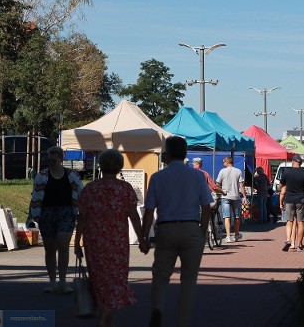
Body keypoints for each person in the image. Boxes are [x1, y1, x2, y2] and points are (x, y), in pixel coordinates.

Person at [141, 136, 213, 327]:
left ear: (167, 154)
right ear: (185, 154)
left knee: (161, 274)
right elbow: (206, 207)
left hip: (165, 228)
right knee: (188, 280)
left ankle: (157, 308)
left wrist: (143, 237)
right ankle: (183, 321)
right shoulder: (197, 176)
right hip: (191, 228)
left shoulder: (157, 177)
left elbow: (149, 210)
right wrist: (202, 232)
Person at [74, 149, 147, 327]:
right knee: (116, 279)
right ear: (120, 166)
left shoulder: (90, 189)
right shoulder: (125, 189)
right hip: (117, 243)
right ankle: (104, 317)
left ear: (100, 165)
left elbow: (82, 218)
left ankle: (107, 318)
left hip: (94, 242)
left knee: (98, 279)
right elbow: (134, 217)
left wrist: (77, 242)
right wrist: (142, 239)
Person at [29, 146, 84, 293]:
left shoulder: (72, 175)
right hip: (47, 213)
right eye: (49, 160)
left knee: (64, 246)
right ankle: (52, 282)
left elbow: (81, 193)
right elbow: (35, 195)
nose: (51, 163)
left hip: (66, 213)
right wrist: (34, 214)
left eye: (53, 160)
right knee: (49, 249)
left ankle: (63, 282)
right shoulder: (42, 175)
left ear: (61, 159)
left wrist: (81, 211)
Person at [279, 154, 304, 252]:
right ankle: (299, 244)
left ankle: (288, 240)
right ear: (300, 163)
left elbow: (282, 185)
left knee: (289, 221)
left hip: (289, 199)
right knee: (301, 222)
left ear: (293, 162)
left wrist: (281, 201)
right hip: (301, 200)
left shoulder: (286, 172)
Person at [215, 156, 248, 242]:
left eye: (223, 162)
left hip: (225, 196)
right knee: (237, 217)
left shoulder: (222, 171)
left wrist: (220, 191)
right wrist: (244, 196)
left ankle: (228, 236)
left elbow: (217, 184)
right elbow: (241, 185)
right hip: (236, 196)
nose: (223, 164)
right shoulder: (238, 171)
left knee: (227, 216)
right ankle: (236, 235)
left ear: (227, 162)